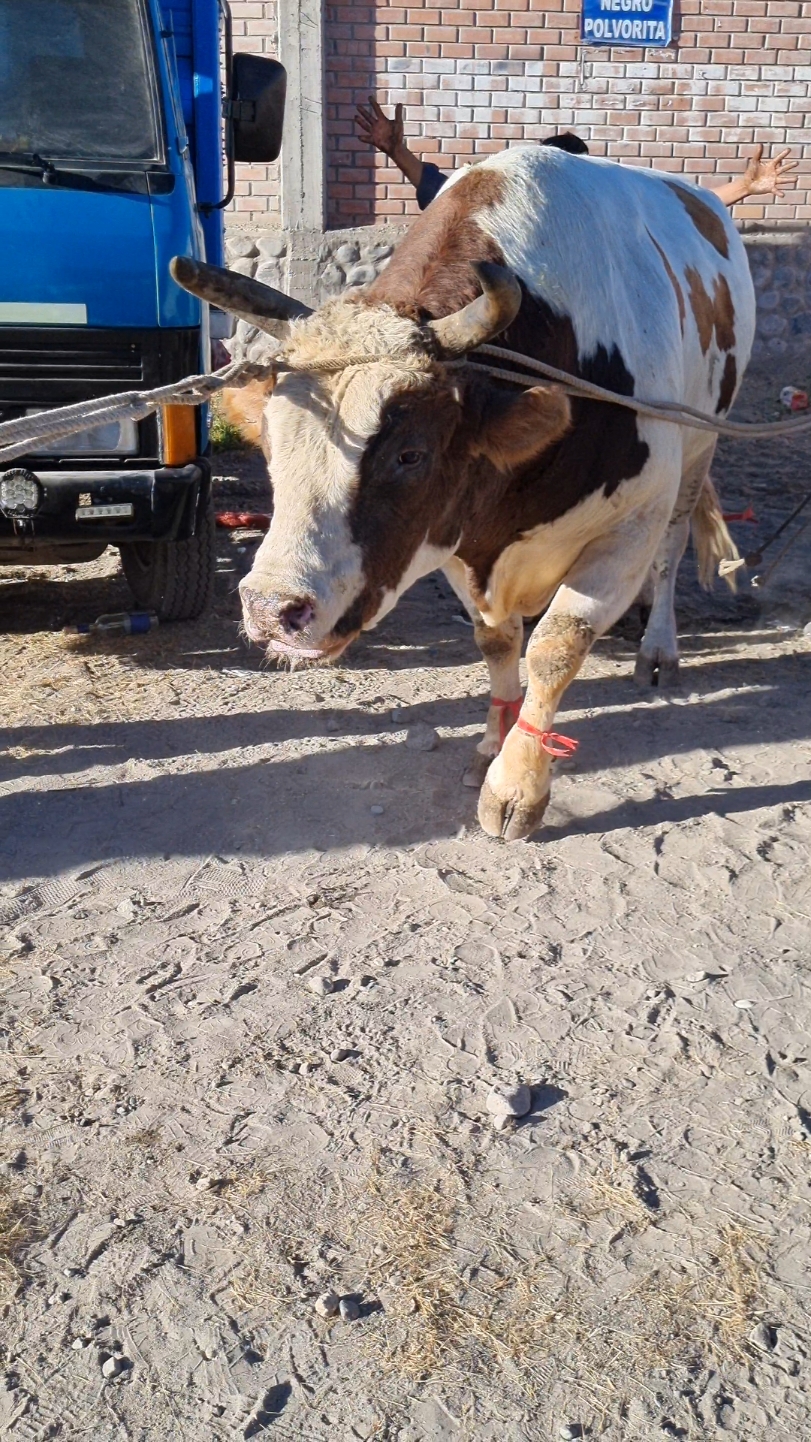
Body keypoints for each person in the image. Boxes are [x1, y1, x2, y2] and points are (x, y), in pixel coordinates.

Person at [355, 95, 797, 211]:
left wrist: (745, 185)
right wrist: (397, 149)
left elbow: (681, 206)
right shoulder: (516, 200)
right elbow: (441, 187)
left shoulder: (608, 199)